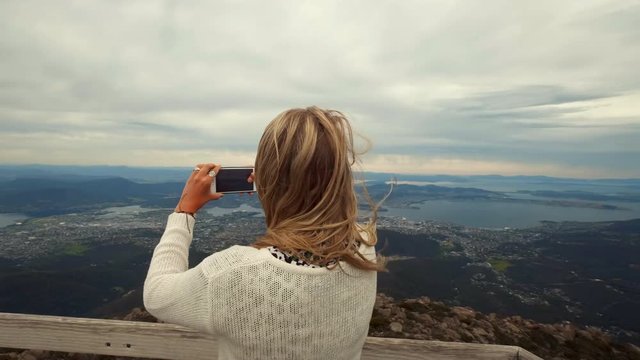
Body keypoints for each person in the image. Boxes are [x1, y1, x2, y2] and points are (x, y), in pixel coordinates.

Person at [143, 106, 384, 360]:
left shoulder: (231, 275)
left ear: (265, 177)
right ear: (341, 178)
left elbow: (156, 294)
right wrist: (278, 180)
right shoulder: (363, 248)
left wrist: (184, 210)